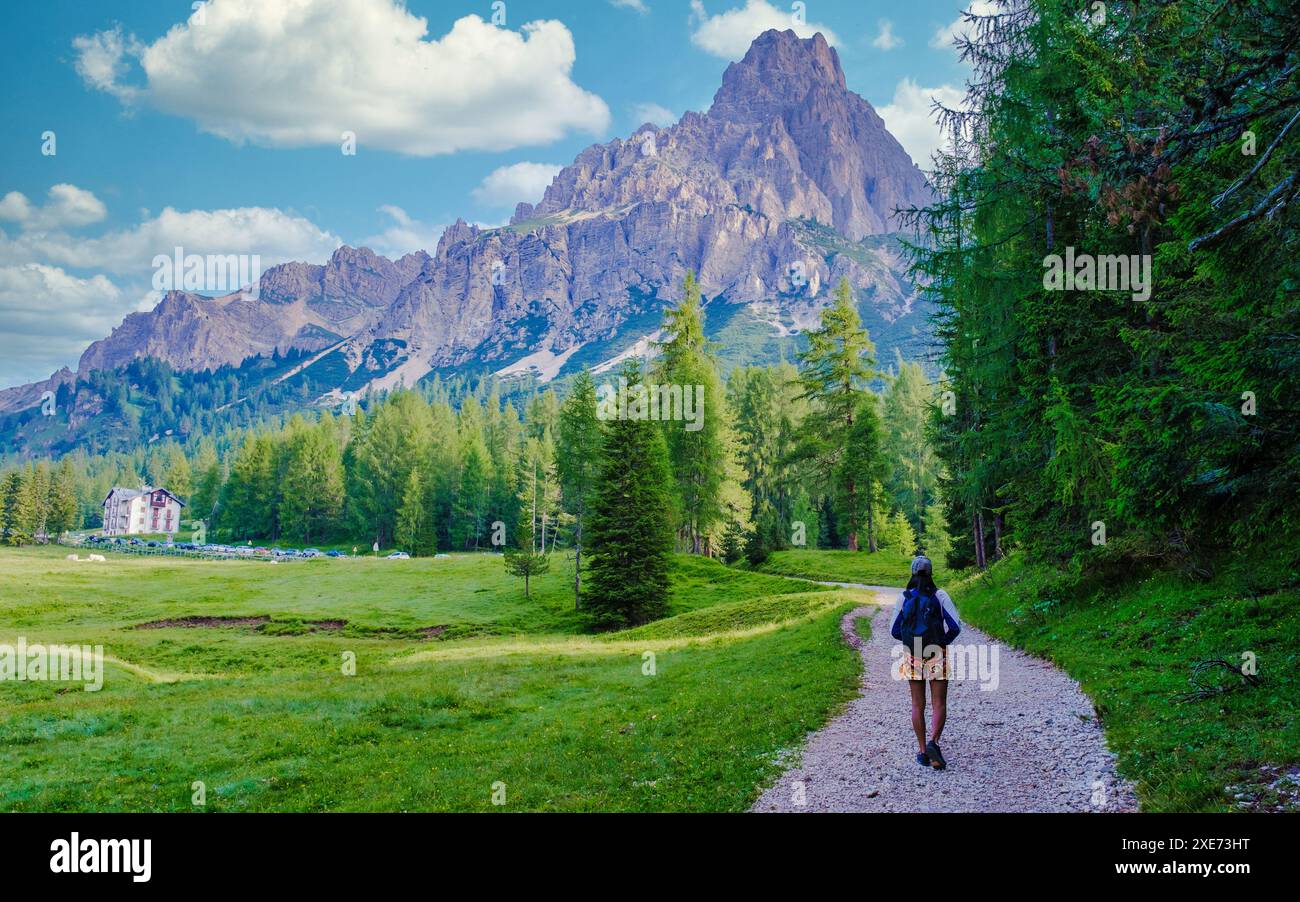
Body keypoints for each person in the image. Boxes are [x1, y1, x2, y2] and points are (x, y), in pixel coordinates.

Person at [889, 555, 961, 770]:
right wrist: (940, 643)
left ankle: (922, 751)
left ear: (912, 573)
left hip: (913, 654)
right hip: (936, 652)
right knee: (939, 702)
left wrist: (912, 644)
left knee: (917, 704)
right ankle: (934, 743)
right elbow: (955, 626)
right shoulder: (940, 595)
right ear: (931, 573)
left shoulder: (904, 597)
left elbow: (893, 630)